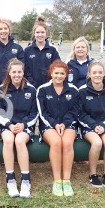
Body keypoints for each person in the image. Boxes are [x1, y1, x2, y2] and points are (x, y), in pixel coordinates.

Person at [0, 58, 38, 198]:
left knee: (20, 140)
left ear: (23, 72)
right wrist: (9, 125)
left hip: (24, 126)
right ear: (9, 73)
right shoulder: (1, 89)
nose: (16, 75)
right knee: (8, 140)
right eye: (13, 72)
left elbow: (35, 112)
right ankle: (11, 179)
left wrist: (24, 125)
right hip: (8, 125)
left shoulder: (31, 89)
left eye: (19, 72)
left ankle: (26, 180)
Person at [36, 60, 79, 196]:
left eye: (62, 73)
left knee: (66, 142)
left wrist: (64, 124)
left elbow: (74, 111)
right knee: (56, 142)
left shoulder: (73, 90)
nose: (59, 76)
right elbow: (42, 112)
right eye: (56, 73)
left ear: (66, 75)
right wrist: (55, 124)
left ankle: (66, 181)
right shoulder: (42, 89)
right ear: (51, 73)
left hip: (68, 124)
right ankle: (57, 180)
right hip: (48, 124)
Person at [79, 61, 105, 188]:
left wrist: (104, 125)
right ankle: (93, 174)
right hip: (88, 125)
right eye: (94, 72)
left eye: (100, 72)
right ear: (89, 74)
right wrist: (93, 125)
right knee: (97, 143)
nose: (97, 75)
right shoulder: (82, 91)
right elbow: (80, 114)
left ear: (104, 74)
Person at [0, 18, 24, 87]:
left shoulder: (18, 48)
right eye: (0, 29)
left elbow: (22, 68)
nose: (3, 31)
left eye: (5, 28)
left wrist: (13, 84)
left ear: (9, 30)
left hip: (13, 86)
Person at [24, 16, 60, 88]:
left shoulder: (53, 49)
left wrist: (50, 82)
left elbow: (57, 67)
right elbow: (25, 69)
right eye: (37, 32)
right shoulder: (27, 50)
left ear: (46, 33)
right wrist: (31, 82)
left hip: (49, 86)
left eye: (42, 32)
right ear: (34, 33)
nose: (40, 35)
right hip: (31, 86)